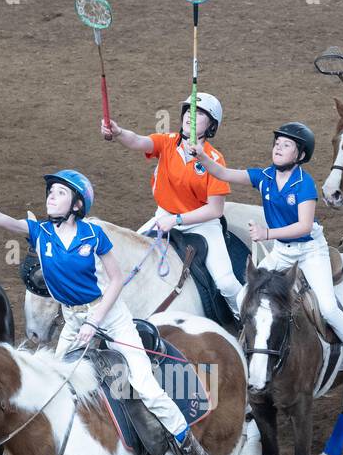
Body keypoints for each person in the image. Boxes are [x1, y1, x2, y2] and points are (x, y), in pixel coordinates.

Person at [0, 170, 210, 455]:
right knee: (55, 387)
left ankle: (191, 451)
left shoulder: (93, 234)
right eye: (50, 192)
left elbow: (115, 281)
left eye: (59, 192)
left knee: (145, 385)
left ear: (77, 203)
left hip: (109, 315)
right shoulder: (41, 232)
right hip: (73, 319)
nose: (50, 197)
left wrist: (95, 322)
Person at [189, 123, 343, 390]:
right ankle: (249, 347)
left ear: (299, 155)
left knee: (329, 308)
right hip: (282, 252)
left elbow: (304, 226)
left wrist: (267, 233)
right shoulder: (265, 176)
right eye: (277, 143)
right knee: (243, 297)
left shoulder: (304, 184)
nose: (278, 147)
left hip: (310, 251)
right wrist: (202, 157)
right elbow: (224, 173)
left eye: (286, 145)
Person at [100, 93, 242, 319]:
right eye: (189, 111)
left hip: (202, 224)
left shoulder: (214, 159)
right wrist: (118, 133)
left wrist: (176, 220)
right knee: (130, 261)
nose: (191, 116)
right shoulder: (167, 142)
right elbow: (138, 141)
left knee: (226, 282)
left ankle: (244, 321)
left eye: (200, 114)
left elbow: (215, 210)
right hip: (164, 215)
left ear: (212, 126)